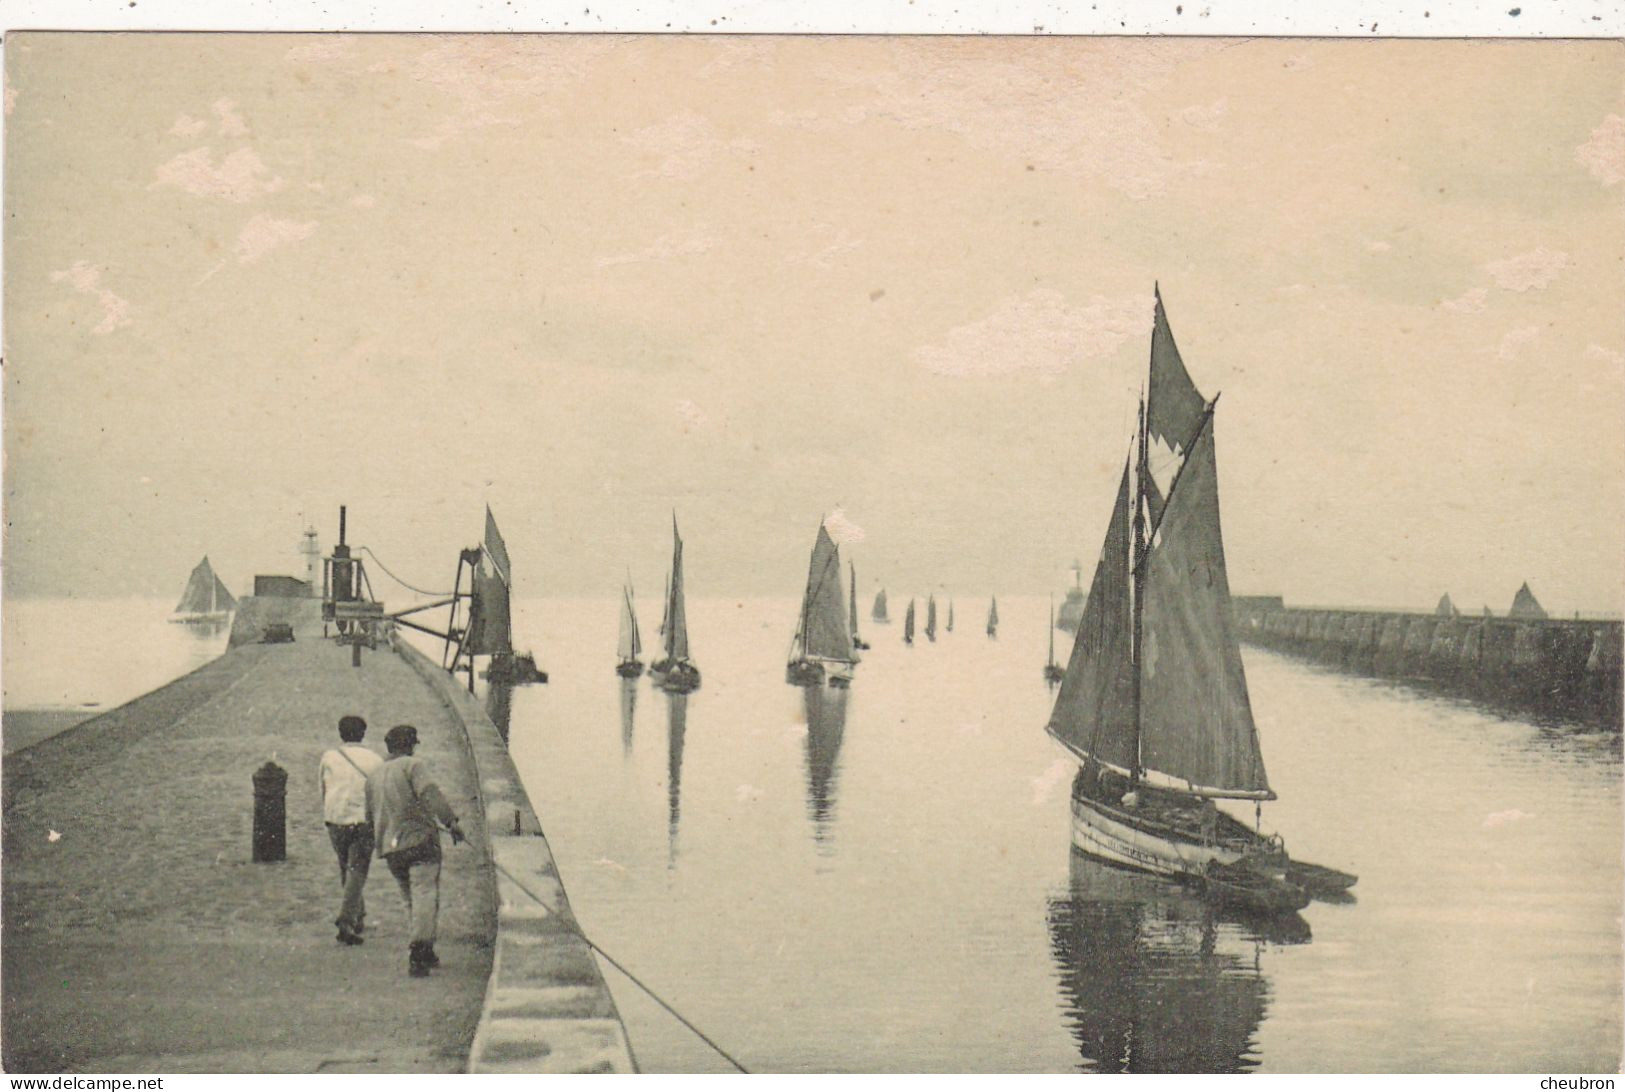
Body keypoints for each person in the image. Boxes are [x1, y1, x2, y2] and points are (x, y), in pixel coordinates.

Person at [365, 723, 466, 977]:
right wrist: (451, 822)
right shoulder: (413, 766)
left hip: (391, 847)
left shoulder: (374, 776)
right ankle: (420, 950)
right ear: (409, 745)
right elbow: (431, 794)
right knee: (425, 893)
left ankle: (425, 946)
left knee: (410, 897)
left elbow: (370, 815)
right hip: (420, 841)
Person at [318, 714, 383, 946]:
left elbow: (323, 788)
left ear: (340, 733)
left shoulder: (329, 756)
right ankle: (346, 919)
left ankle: (358, 915)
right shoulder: (375, 760)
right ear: (363, 733)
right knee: (357, 870)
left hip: (335, 818)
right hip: (363, 820)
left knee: (346, 867)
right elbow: (379, 794)